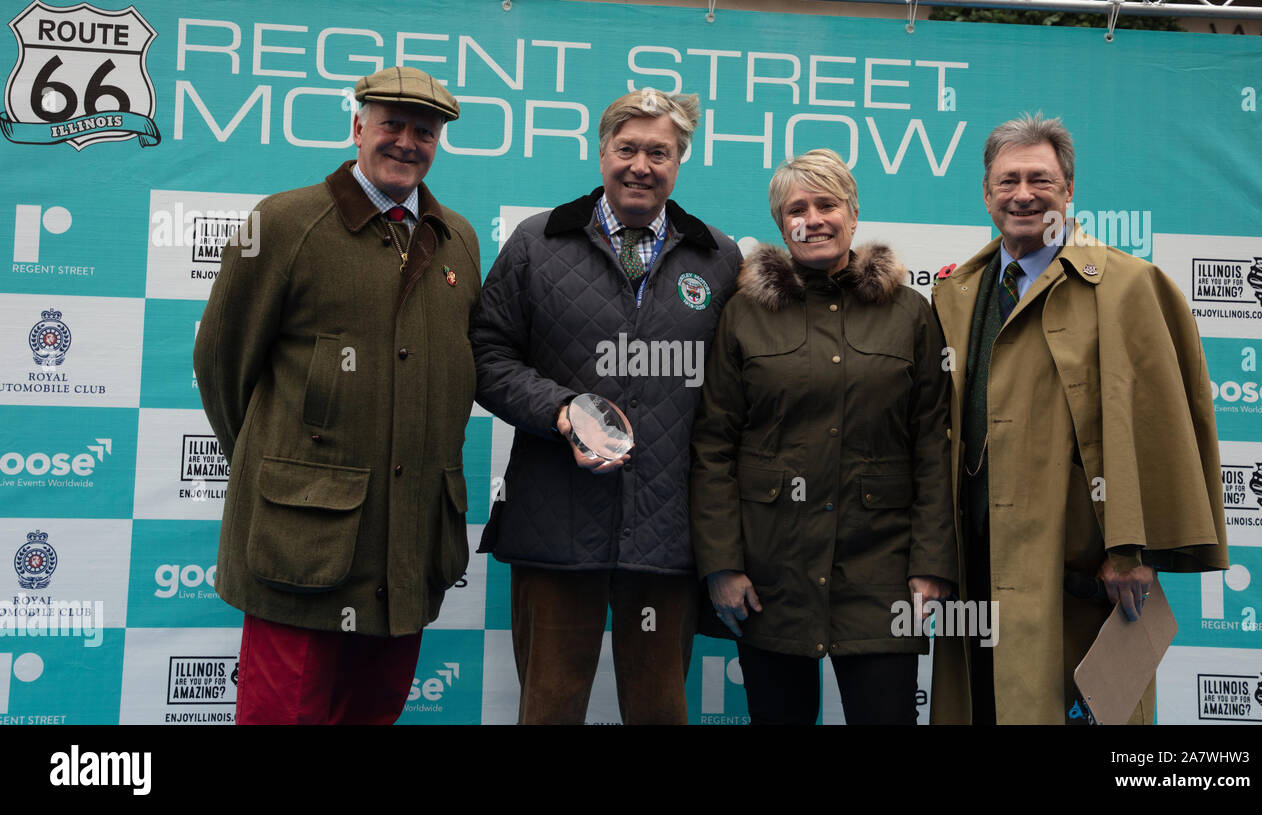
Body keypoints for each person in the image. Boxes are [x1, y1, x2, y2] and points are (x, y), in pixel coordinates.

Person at [193, 66, 479, 725]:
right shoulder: (287, 222)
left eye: (424, 131)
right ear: (357, 127)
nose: (408, 142)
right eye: (392, 125)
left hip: (404, 548)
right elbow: (221, 365)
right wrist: (284, 469)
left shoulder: (457, 236)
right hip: (302, 547)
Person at [929, 113, 1228, 725]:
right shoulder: (958, 292)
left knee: (1089, 712)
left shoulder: (1128, 284)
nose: (1022, 194)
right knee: (984, 704)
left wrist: (1136, 550)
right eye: (1007, 180)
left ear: (1068, 192)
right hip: (978, 556)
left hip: (1084, 563)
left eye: (1040, 178)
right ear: (986, 194)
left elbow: (1161, 421)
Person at [471, 89, 742, 725]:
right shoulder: (538, 242)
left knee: (660, 712)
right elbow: (486, 357)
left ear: (680, 162)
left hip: (666, 533)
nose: (641, 165)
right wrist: (562, 410)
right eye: (627, 148)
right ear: (602, 153)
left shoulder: (718, 256)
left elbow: (734, 392)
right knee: (550, 709)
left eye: (660, 152)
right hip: (555, 526)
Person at [691, 149, 956, 725]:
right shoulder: (743, 313)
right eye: (796, 208)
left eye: (827, 204)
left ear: (853, 214)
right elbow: (714, 445)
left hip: (881, 568)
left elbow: (934, 442)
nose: (812, 218)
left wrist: (932, 562)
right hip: (769, 570)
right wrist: (722, 564)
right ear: (780, 224)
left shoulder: (910, 312)